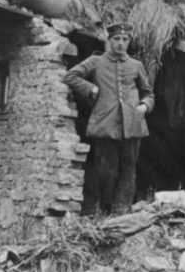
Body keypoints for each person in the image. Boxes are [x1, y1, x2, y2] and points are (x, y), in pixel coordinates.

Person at [62, 22, 154, 214]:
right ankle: (105, 210)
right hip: (106, 124)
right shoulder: (96, 61)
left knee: (129, 169)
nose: (121, 43)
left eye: (125, 39)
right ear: (109, 40)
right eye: (117, 39)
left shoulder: (136, 65)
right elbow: (71, 75)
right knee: (106, 172)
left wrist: (144, 106)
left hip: (132, 124)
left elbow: (148, 93)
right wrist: (91, 88)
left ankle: (122, 211)